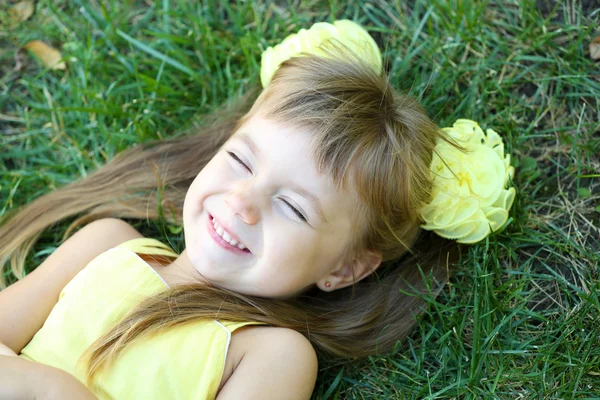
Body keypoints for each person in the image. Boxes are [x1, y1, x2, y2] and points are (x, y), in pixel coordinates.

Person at [0, 19, 512, 400]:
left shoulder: (272, 355)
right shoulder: (107, 244)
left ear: (344, 268)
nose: (242, 201)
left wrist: (52, 392)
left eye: (292, 206)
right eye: (241, 160)